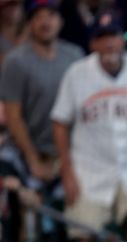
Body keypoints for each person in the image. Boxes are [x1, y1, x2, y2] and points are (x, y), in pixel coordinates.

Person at [51, 11, 127, 240]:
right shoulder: (77, 73)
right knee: (83, 241)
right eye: (102, 37)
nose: (109, 43)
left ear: (123, 38)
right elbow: (60, 122)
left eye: (113, 36)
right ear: (93, 43)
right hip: (88, 173)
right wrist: (67, 171)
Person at [0, 0, 82, 187]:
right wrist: (33, 159)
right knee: (9, 180)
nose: (46, 22)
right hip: (24, 148)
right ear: (29, 24)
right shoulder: (16, 61)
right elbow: (13, 117)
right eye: (39, 17)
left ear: (61, 21)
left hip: (67, 150)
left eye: (51, 16)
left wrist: (65, 160)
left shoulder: (76, 56)